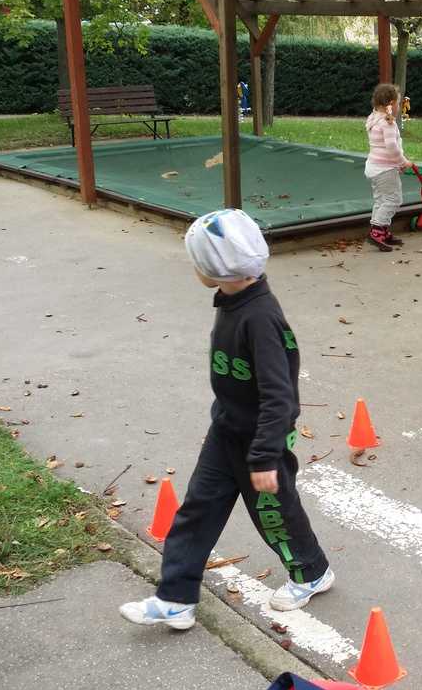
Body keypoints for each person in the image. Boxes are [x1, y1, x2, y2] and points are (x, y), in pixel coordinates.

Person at [120, 209, 333, 630]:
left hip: (261, 444)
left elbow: (279, 394)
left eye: (197, 263)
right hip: (227, 431)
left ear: (215, 269)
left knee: (275, 515)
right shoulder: (235, 301)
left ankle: (312, 573)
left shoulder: (260, 318)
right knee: (198, 509)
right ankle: (176, 598)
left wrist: (265, 457)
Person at [365, 83, 411, 252]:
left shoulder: (373, 117)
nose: (399, 107)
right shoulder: (387, 123)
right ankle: (377, 230)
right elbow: (392, 148)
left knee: (381, 200)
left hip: (374, 167)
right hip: (385, 169)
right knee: (393, 199)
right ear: (391, 104)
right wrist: (403, 162)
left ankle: (381, 231)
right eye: (398, 103)